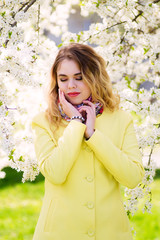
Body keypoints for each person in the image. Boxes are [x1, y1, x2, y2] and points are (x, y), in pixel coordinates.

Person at [31, 43, 145, 240]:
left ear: (94, 77)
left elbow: (133, 177)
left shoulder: (121, 119)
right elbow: (55, 173)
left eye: (79, 77)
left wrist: (93, 135)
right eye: (63, 79)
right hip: (59, 233)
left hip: (110, 233)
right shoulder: (43, 122)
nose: (71, 86)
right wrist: (76, 123)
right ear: (56, 82)